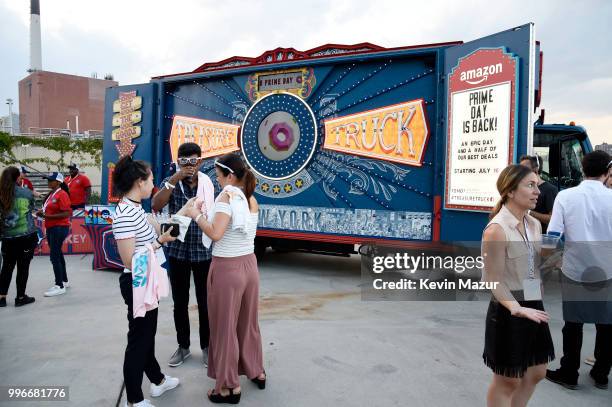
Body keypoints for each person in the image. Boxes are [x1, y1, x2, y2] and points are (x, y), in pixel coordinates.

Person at [181, 153, 265, 404]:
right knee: (248, 323)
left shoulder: (226, 197)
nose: (217, 180)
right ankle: (256, 371)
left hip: (227, 268)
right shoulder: (251, 199)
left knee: (224, 328)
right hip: (250, 266)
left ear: (230, 175)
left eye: (218, 175)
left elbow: (216, 233)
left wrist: (195, 214)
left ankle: (228, 387)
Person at [481, 164, 554, 407]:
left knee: (537, 372)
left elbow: (531, 267)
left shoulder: (534, 224)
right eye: (530, 185)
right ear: (510, 191)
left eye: (537, 185)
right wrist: (515, 307)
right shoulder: (496, 230)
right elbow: (493, 280)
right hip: (507, 309)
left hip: (532, 303)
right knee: (507, 381)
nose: (537, 192)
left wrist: (548, 268)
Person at [111, 155, 180, 407]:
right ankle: (134, 398)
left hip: (147, 281)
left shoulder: (135, 207)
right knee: (139, 340)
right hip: (137, 283)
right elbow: (130, 260)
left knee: (145, 335)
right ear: (139, 182)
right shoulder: (125, 214)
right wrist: (160, 241)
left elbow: (143, 243)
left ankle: (158, 381)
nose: (154, 185)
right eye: (151, 180)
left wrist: (157, 229)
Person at [545, 150, 612, 390]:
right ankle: (602, 373)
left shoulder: (565, 196)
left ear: (583, 169)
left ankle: (569, 373)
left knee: (573, 324)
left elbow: (552, 236)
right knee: (607, 324)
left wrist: (549, 259)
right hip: (607, 270)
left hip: (574, 268)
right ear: (608, 171)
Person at [151, 142, 214, 368]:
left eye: (193, 161)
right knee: (180, 303)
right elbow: (156, 204)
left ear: (201, 161)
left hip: (203, 252)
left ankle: (207, 348)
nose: (189, 165)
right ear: (178, 162)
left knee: (206, 304)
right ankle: (184, 346)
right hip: (177, 252)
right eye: (184, 161)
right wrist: (175, 177)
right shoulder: (171, 182)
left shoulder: (209, 183)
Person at [0, 166, 38, 307]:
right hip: (25, 236)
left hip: (7, 237)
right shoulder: (26, 193)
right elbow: (32, 207)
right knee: (23, 267)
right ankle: (20, 297)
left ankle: (1, 297)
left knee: (7, 267)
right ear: (17, 178)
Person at [36, 172, 72, 297]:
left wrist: (46, 216)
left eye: (50, 180)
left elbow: (67, 213)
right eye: (48, 180)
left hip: (59, 228)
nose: (48, 182)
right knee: (58, 254)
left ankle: (59, 286)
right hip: (53, 227)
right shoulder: (53, 193)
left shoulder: (62, 194)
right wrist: (44, 211)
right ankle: (64, 281)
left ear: (58, 182)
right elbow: (52, 208)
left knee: (54, 256)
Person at [519, 155, 558, 233]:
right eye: (520, 168)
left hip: (540, 236)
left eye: (524, 169)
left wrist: (529, 212)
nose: (520, 171)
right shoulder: (521, 187)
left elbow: (553, 219)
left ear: (536, 170)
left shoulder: (550, 190)